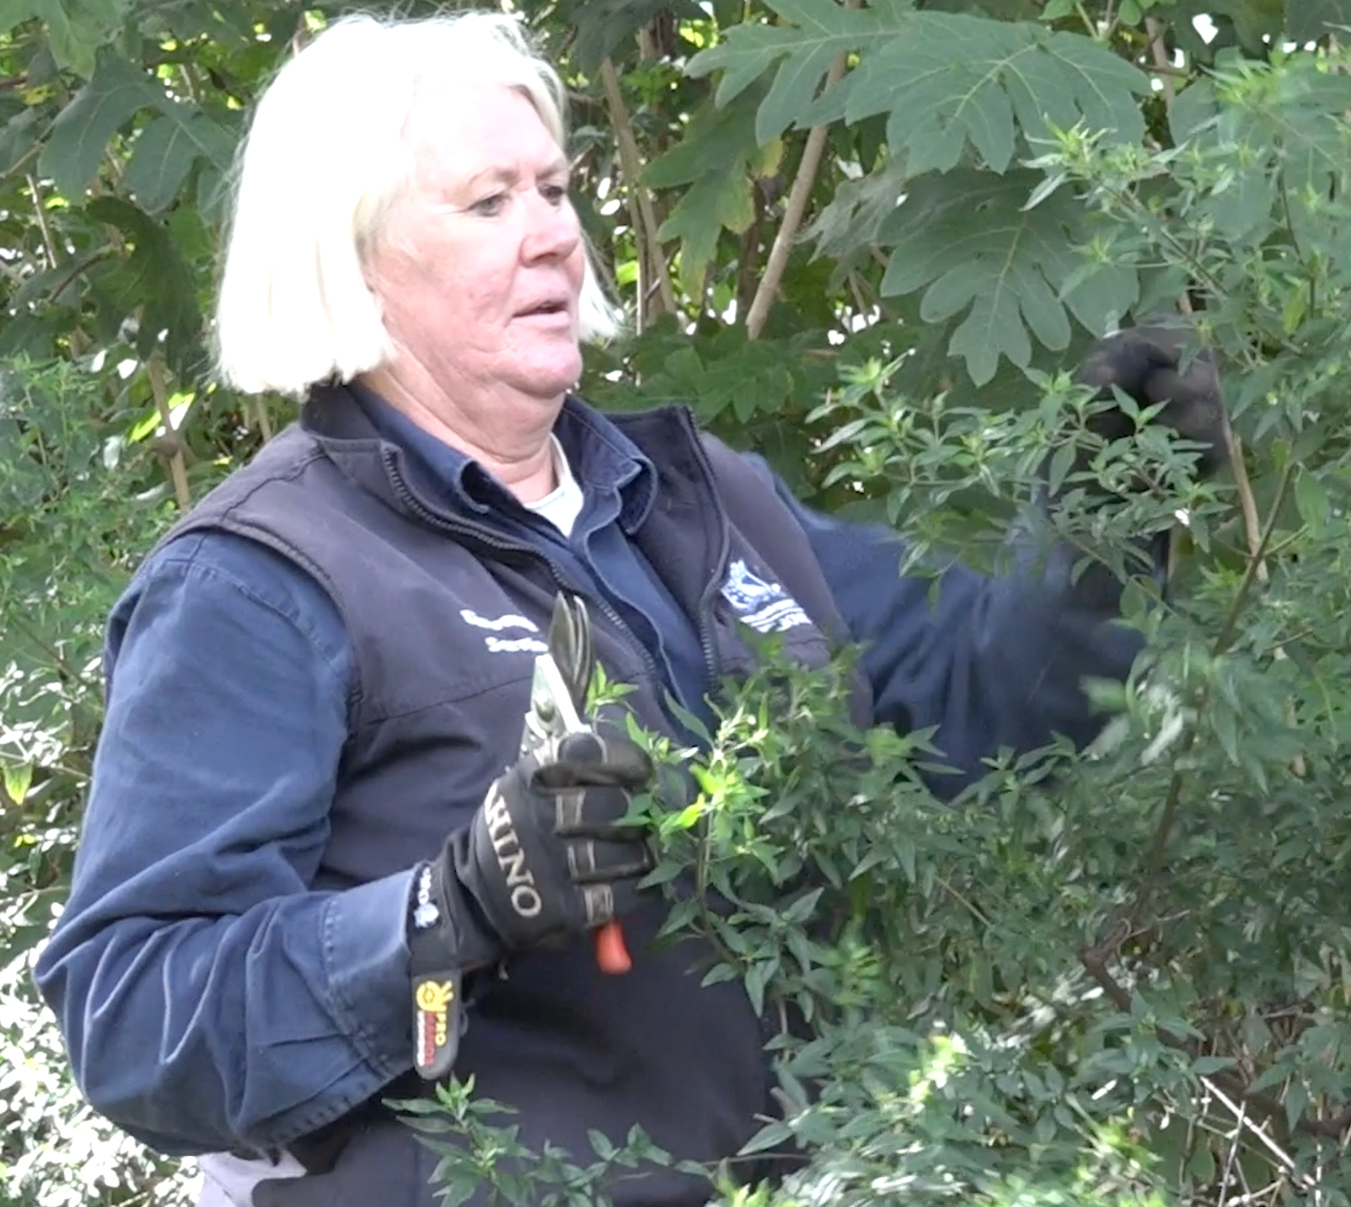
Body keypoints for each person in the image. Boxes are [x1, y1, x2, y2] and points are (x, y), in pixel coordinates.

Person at [30, 10, 1224, 1207]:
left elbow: (977, 707)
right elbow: (136, 1015)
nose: (553, 233)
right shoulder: (263, 577)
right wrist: (443, 917)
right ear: (356, 260)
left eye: (554, 187)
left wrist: (1096, 525)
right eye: (489, 202)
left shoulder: (698, 504)